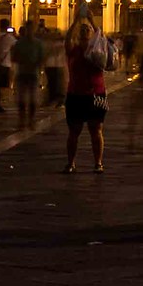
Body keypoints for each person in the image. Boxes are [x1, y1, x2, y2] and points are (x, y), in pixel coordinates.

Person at [63, 18, 109, 172]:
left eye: (87, 28)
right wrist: (75, 21)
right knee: (74, 131)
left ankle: (98, 163)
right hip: (75, 93)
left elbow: (101, 35)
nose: (84, 30)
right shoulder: (73, 50)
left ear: (92, 33)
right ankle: (71, 163)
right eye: (82, 29)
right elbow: (68, 38)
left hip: (96, 94)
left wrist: (91, 20)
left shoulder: (97, 49)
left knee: (96, 130)